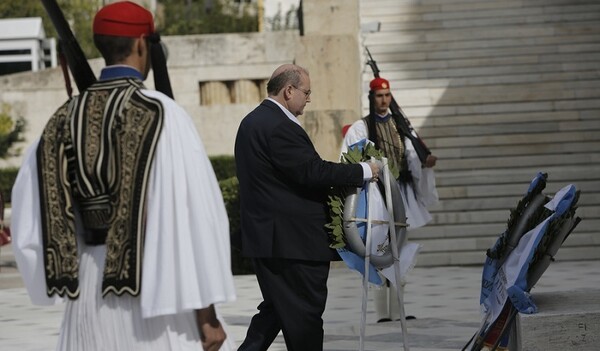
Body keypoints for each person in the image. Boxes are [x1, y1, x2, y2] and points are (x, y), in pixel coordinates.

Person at [11, 2, 236, 350]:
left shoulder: (61, 120)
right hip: (154, 294)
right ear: (143, 44)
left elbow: (32, 218)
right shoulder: (165, 115)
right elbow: (191, 217)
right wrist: (206, 316)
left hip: (87, 294)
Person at [234, 64, 381, 351]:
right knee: (304, 319)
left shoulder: (252, 121)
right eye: (306, 92)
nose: (309, 99)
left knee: (276, 311)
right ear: (289, 91)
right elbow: (312, 172)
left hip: (269, 240)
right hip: (292, 244)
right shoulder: (279, 126)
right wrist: (363, 170)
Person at [341, 76, 439, 322]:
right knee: (378, 249)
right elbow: (349, 158)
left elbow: (414, 158)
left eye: (387, 95)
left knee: (400, 250)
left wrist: (426, 164)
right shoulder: (361, 128)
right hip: (376, 196)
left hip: (400, 195)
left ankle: (398, 311)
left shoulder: (401, 126)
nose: (383, 100)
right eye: (379, 96)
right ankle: (383, 312)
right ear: (372, 98)